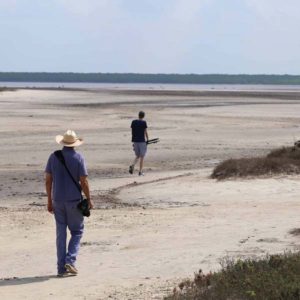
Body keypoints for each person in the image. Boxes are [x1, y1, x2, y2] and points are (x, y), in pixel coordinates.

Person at [45, 130, 93, 277]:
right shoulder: (79, 158)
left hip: (58, 200)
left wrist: (49, 200)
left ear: (63, 143)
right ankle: (70, 260)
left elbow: (48, 180)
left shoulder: (53, 157)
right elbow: (84, 181)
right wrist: (89, 199)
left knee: (61, 235)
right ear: (75, 144)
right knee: (77, 231)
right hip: (73, 201)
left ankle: (60, 268)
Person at [129, 111, 149, 176]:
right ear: (143, 116)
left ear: (138, 115)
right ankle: (140, 172)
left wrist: (134, 140)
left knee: (137, 155)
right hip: (142, 141)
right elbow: (145, 132)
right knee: (142, 157)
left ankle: (132, 165)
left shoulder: (133, 122)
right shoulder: (143, 122)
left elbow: (132, 132)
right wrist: (147, 139)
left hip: (135, 141)